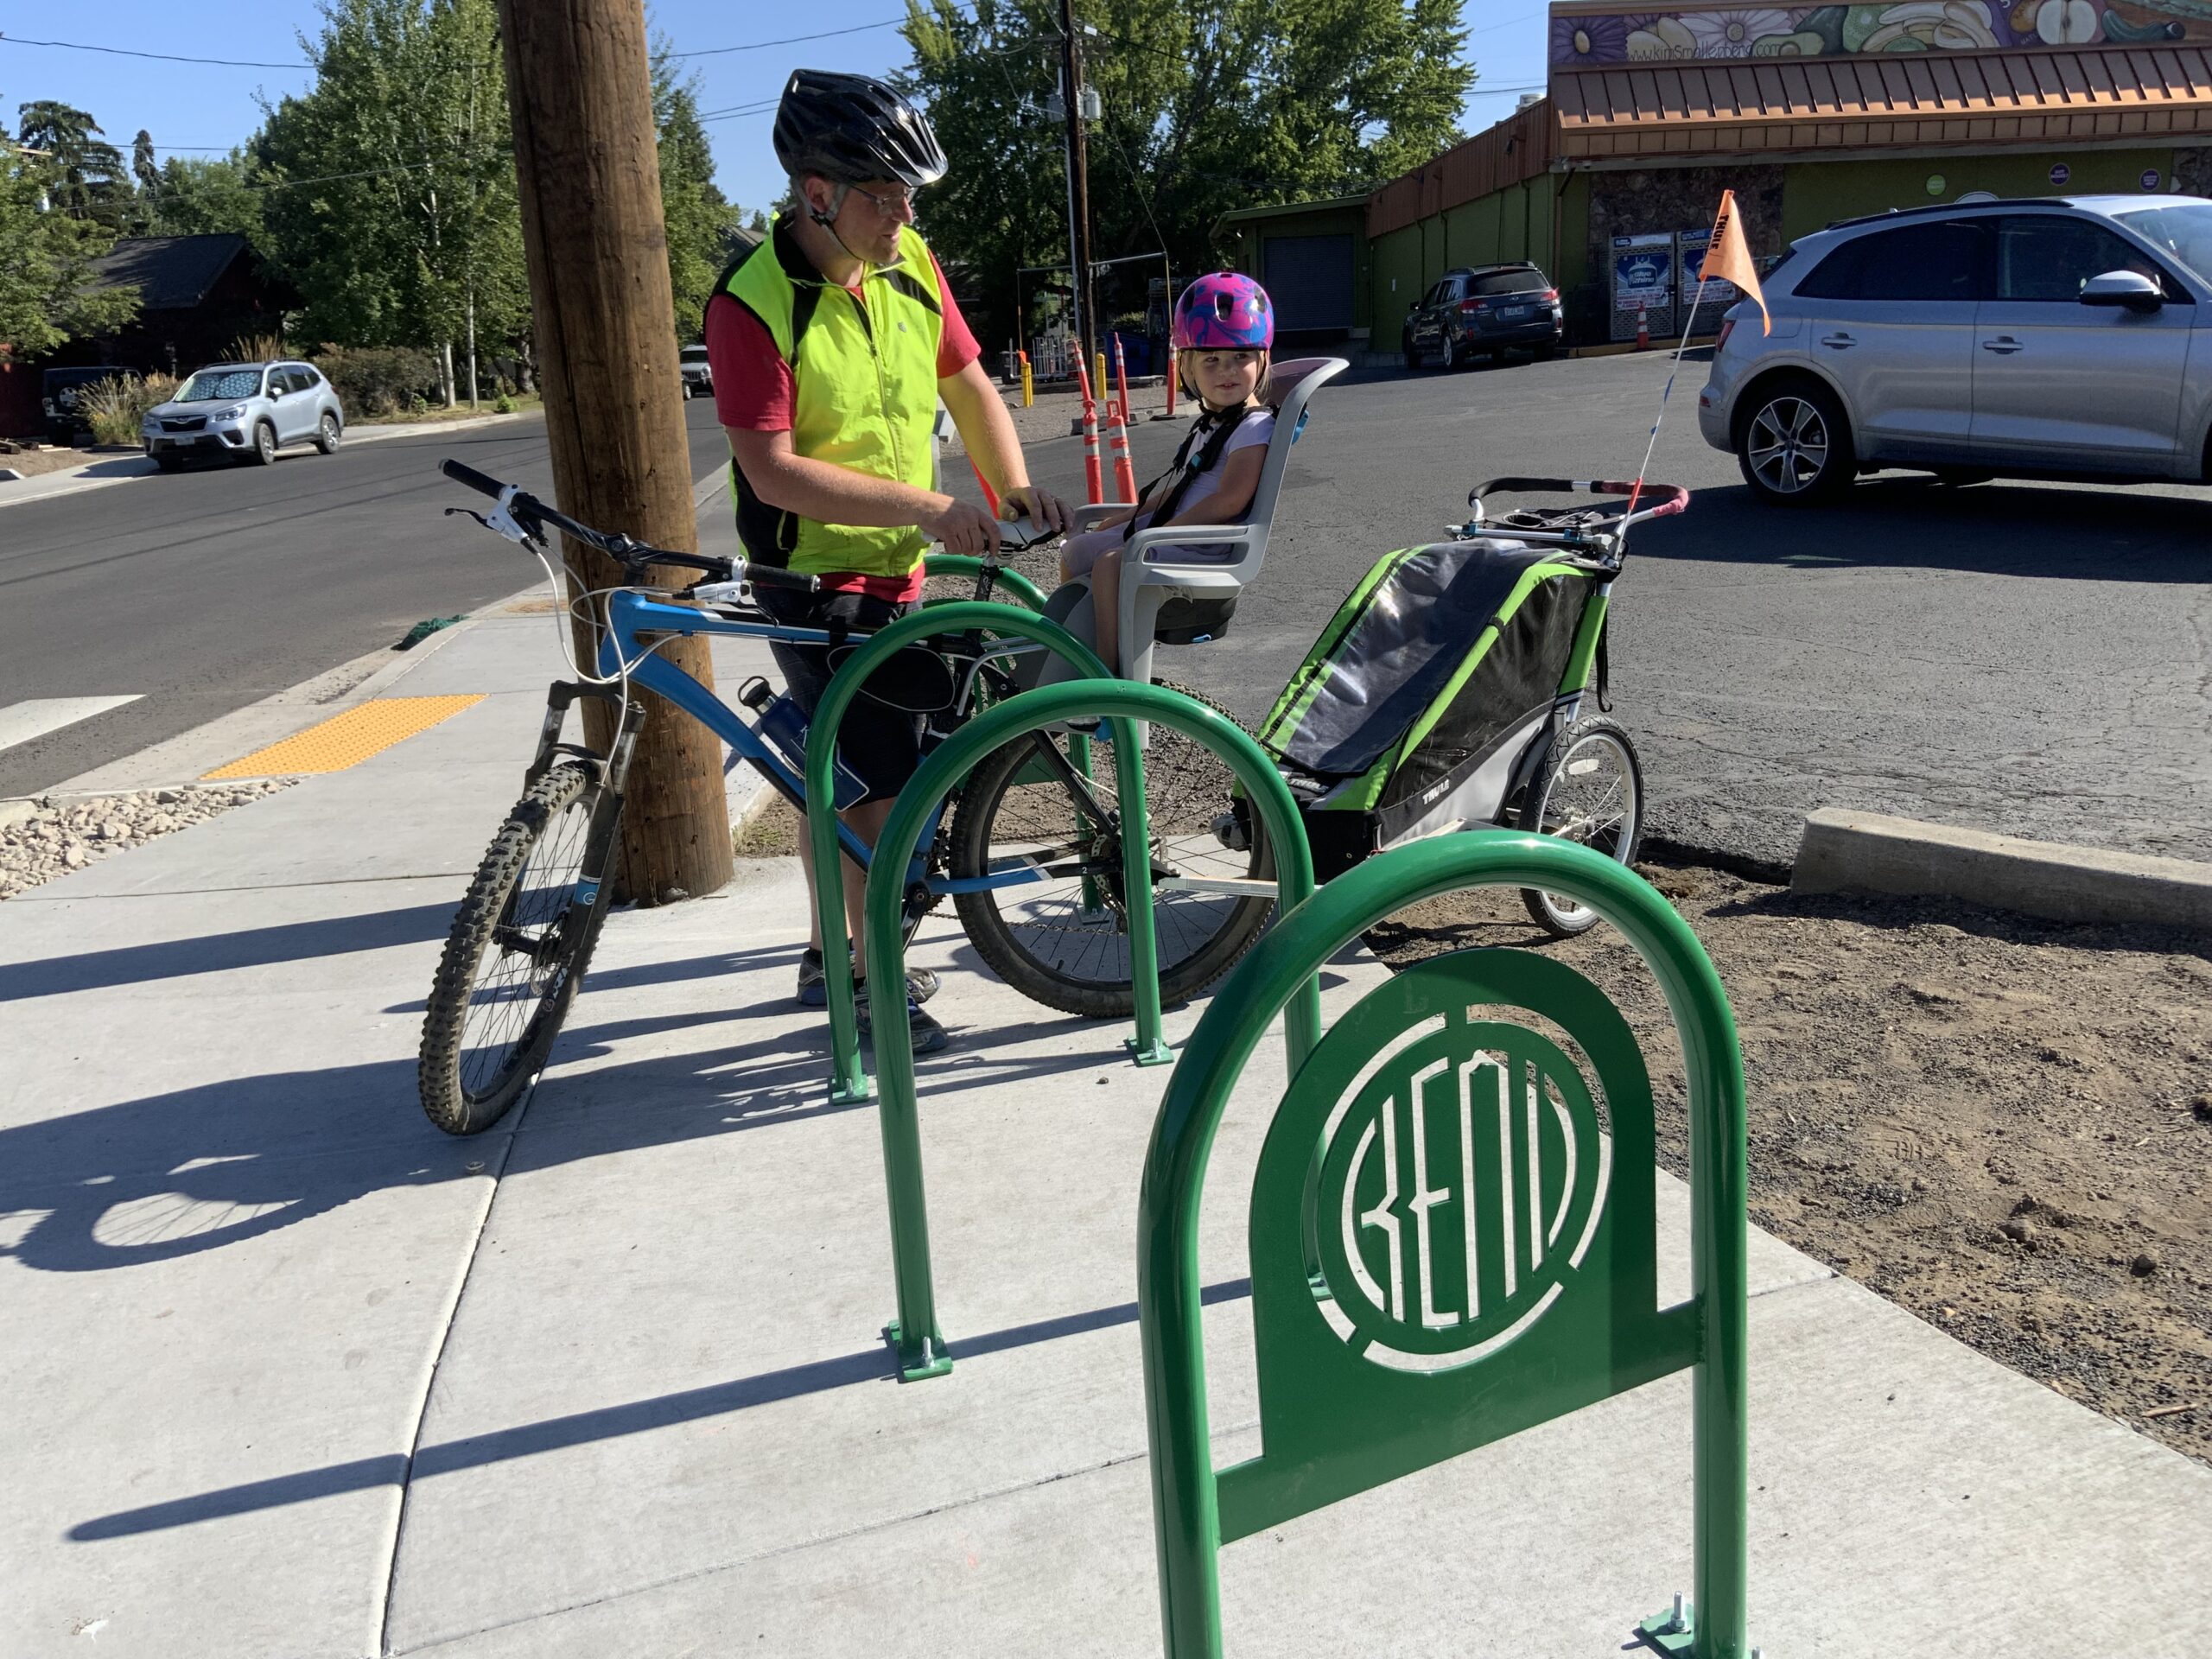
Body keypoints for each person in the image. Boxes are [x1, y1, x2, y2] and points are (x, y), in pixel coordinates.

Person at [708, 68, 1071, 1053]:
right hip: (812, 579)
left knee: (871, 777)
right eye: (886, 193)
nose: (905, 213)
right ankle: (870, 991)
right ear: (816, 193)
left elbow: (967, 382)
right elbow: (773, 473)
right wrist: (940, 508)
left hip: (898, 569)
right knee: (873, 789)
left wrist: (1007, 490)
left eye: (912, 194)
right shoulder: (750, 304)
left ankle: (834, 956)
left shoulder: (908, 258)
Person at [1056, 272, 1275, 672]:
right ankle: (1076, 645)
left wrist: (1158, 529)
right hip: (1181, 532)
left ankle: (1107, 672)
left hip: (1206, 543)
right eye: (1211, 359)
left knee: (1109, 563)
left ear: (1261, 359)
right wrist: (1128, 516)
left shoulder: (1253, 426)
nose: (1227, 371)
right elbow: (1178, 490)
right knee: (1077, 550)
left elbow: (1231, 501)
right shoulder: (1214, 423)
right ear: (1188, 367)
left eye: (1240, 357)